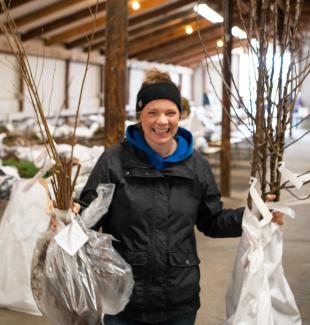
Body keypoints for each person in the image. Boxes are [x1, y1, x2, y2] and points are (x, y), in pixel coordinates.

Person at [79, 68, 283, 325]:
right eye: (152, 112)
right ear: (139, 116)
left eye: (170, 113)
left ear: (180, 116)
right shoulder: (114, 161)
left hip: (178, 297)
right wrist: (66, 216)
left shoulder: (196, 165)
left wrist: (255, 216)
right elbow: (85, 216)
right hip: (122, 296)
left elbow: (213, 221)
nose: (161, 121)